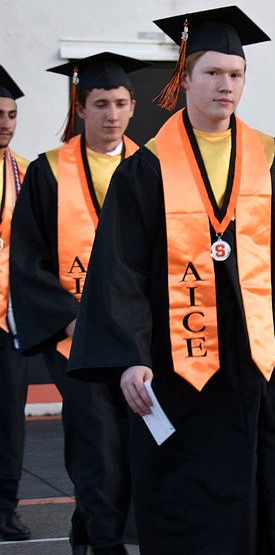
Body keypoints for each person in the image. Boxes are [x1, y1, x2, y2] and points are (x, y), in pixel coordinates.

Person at [67, 6, 275, 554]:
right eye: (211, 73)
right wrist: (130, 354)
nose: (225, 85)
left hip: (258, 364)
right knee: (189, 508)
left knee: (265, 495)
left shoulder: (272, 158)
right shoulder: (147, 166)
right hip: (179, 368)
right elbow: (123, 270)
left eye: (236, 74)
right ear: (184, 77)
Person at [10, 52, 146, 555]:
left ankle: (89, 533)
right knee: (98, 445)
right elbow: (29, 258)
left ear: (132, 107)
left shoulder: (152, 167)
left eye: (120, 103)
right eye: (101, 104)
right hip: (76, 337)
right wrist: (70, 321)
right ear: (81, 108)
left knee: (134, 445)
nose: (112, 115)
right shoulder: (49, 172)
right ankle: (106, 544)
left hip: (137, 337)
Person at [0, 66, 30, 543]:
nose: (5, 124)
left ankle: (5, 506)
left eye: (11, 115)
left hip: (8, 317)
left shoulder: (26, 172)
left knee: (7, 415)